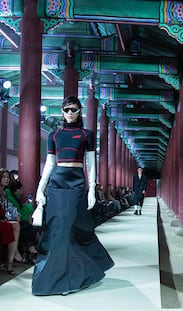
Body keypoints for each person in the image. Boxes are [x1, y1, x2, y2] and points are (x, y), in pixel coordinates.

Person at [32, 95, 114, 296]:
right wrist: (39, 189)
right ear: (62, 111)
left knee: (71, 227)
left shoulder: (86, 134)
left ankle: (72, 276)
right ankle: (59, 278)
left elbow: (91, 164)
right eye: (66, 109)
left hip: (76, 183)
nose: (69, 113)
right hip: (57, 184)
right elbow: (50, 164)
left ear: (79, 111)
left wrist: (92, 189)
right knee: (58, 231)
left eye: (73, 109)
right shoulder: (54, 135)